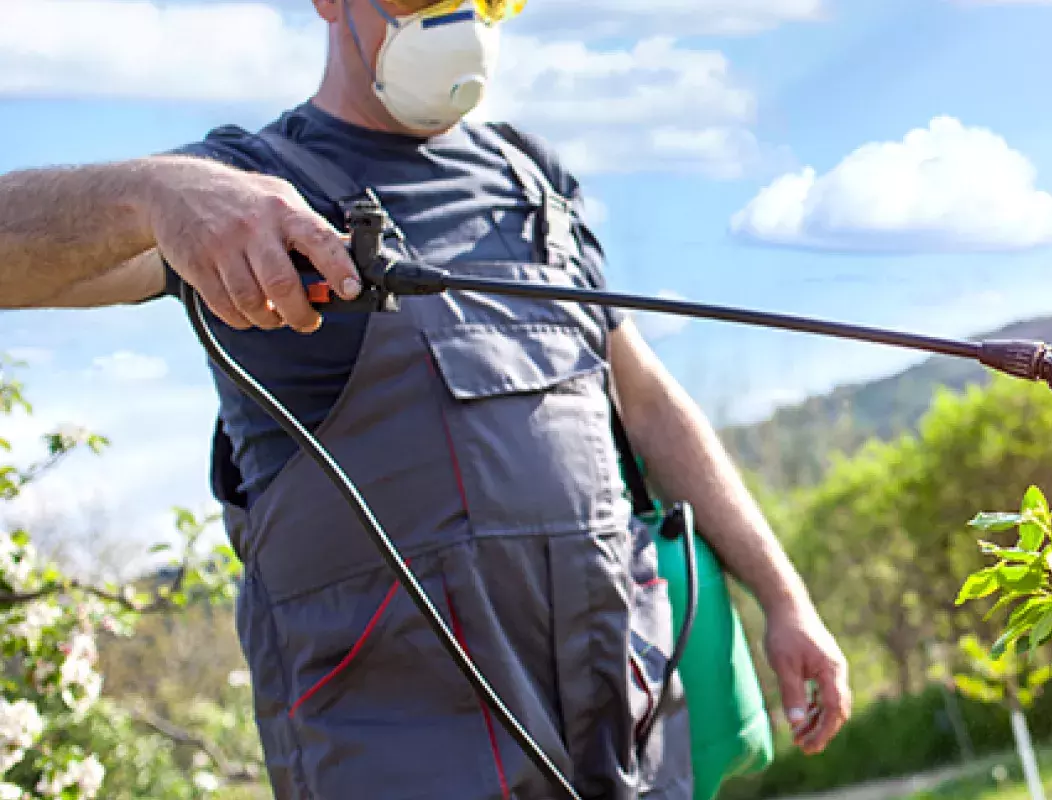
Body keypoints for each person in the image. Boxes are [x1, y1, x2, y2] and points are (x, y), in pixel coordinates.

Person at [0, 1, 851, 797]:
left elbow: (648, 403)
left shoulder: (534, 179)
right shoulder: (241, 198)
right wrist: (151, 195)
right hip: (400, 748)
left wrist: (784, 597)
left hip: (622, 716)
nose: (456, 20)